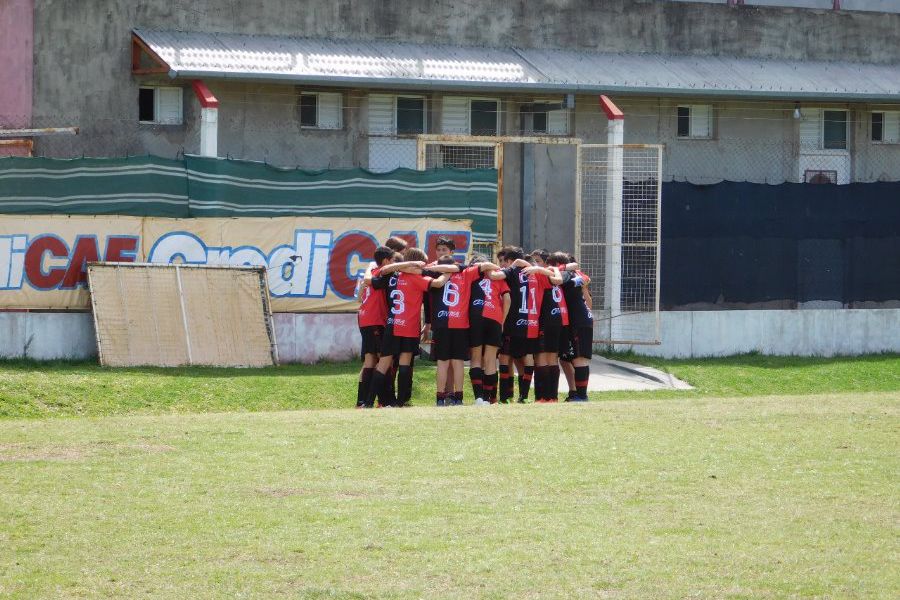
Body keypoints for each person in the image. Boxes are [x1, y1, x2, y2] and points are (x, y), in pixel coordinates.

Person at [365, 248, 447, 408]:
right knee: (404, 362)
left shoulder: (392, 277)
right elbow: (437, 283)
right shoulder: (417, 279)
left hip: (392, 324)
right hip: (409, 325)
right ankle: (400, 402)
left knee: (383, 364)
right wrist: (450, 272)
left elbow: (379, 275)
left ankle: (368, 402)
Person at [425, 255, 500, 406]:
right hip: (461, 323)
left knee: (442, 362)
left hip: (441, 323)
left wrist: (433, 266)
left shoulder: (433, 274)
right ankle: (458, 398)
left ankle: (440, 399)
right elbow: (485, 266)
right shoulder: (465, 272)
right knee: (458, 362)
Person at [490, 247, 538, 403]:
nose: (502, 264)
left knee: (505, 357)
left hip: (512, 321)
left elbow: (495, 275)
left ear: (510, 261)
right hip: (530, 321)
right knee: (527, 358)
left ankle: (505, 396)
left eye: (504, 261)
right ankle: (523, 396)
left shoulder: (512, 271)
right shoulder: (533, 273)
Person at [522, 257, 569, 402]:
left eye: (538, 261)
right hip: (556, 319)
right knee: (549, 358)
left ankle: (544, 397)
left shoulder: (544, 274)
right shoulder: (557, 272)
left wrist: (536, 269)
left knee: (543, 358)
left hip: (547, 320)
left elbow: (557, 280)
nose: (535, 264)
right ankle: (550, 397)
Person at [355, 245, 395, 408]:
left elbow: (358, 297)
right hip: (376, 320)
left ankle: (362, 401)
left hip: (364, 318)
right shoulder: (382, 274)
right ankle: (384, 401)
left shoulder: (370, 271)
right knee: (383, 360)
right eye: (393, 260)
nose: (394, 264)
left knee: (370, 360)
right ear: (386, 261)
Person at [468, 254, 510, 404]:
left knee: (476, 357)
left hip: (475, 316)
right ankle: (487, 398)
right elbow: (507, 299)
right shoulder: (497, 277)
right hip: (495, 317)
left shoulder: (471, 275)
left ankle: (478, 398)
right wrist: (502, 321)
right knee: (491, 360)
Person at [550, 252, 593, 401]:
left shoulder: (567, 275)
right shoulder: (578, 275)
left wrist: (561, 269)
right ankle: (575, 393)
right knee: (567, 358)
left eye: (552, 265)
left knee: (579, 359)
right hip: (579, 320)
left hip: (578, 321)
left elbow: (560, 279)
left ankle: (582, 396)